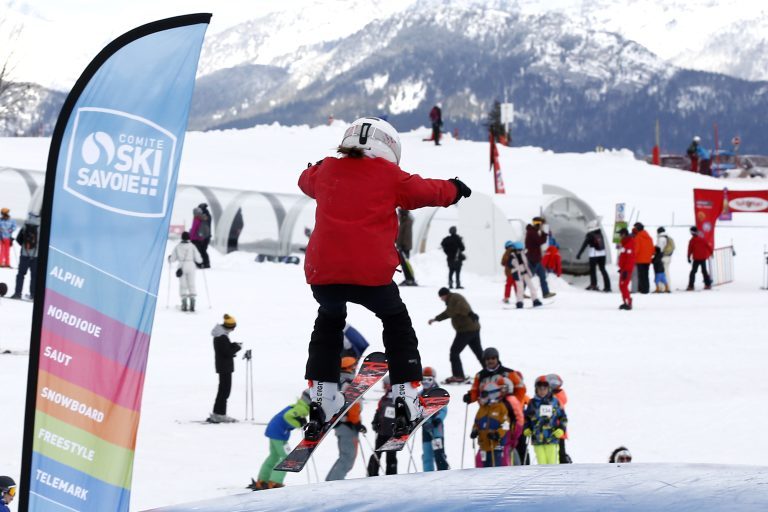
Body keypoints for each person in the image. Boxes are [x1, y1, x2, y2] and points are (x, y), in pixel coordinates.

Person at [298, 116, 472, 442]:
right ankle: (406, 398)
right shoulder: (389, 175)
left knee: (329, 322)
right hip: (371, 275)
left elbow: (305, 180)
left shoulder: (326, 172)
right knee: (395, 322)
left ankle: (322, 400)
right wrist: (455, 189)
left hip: (324, 274)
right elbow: (427, 191)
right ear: (389, 146)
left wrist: (317, 167)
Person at [463, 347, 525, 466]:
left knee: (511, 437)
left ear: (497, 359)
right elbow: (475, 391)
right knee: (489, 435)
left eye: (493, 358)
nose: (490, 361)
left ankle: (518, 465)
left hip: (507, 407)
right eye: (487, 359)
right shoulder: (480, 375)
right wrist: (470, 397)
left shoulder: (508, 372)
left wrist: (514, 402)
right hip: (487, 409)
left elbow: (521, 388)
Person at [249, 391, 310, 490]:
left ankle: (263, 480)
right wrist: (298, 423)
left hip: (274, 431)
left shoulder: (298, 405)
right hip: (278, 434)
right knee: (287, 458)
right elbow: (287, 416)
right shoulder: (302, 408)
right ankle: (274, 482)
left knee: (274, 456)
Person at [429, 287, 483, 384]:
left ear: (445, 295)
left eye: (441, 297)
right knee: (479, 352)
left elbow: (453, 311)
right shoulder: (453, 298)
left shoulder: (454, 298)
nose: (442, 299)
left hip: (466, 330)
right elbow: (453, 311)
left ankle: (458, 376)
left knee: (454, 352)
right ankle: (492, 372)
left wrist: (436, 318)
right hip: (472, 329)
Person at [327, 356, 366, 481]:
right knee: (348, 458)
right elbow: (353, 405)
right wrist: (357, 423)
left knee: (344, 457)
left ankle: (331, 482)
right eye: (354, 366)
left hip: (340, 424)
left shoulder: (337, 383)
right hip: (348, 425)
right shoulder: (349, 384)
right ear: (350, 368)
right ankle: (332, 484)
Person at [523, 376, 567, 465]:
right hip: (537, 438)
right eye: (540, 389)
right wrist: (526, 428)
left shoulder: (554, 402)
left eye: (544, 388)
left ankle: (553, 478)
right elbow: (526, 418)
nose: (542, 391)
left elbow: (563, 417)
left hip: (551, 437)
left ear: (548, 389)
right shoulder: (532, 403)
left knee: (552, 462)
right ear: (536, 389)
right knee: (541, 462)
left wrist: (561, 429)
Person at [209, 314, 242, 423]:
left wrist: (233, 345)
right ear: (229, 327)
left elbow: (225, 350)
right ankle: (220, 414)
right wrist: (237, 347)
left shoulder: (221, 335)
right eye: (233, 327)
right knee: (224, 391)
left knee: (223, 391)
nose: (233, 329)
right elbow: (226, 352)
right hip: (224, 367)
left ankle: (217, 413)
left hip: (223, 366)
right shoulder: (221, 337)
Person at [470, 380, 510, 467]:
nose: (481, 398)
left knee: (495, 468)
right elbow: (476, 422)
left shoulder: (500, 408)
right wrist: (474, 430)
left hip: (496, 445)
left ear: (492, 395)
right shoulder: (482, 409)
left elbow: (506, 425)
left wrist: (497, 434)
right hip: (483, 445)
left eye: (484, 395)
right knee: (485, 468)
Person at [368, 376, 398, 476]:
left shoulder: (397, 399)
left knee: (391, 457)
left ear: (390, 385)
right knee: (376, 455)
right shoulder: (384, 399)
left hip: (392, 434)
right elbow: (379, 411)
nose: (383, 387)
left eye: (385, 385)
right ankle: (372, 474)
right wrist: (375, 422)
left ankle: (391, 476)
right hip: (381, 433)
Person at [420, 367, 449, 471]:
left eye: (429, 379)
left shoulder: (439, 393)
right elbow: (418, 410)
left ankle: (443, 473)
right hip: (426, 428)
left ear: (434, 379)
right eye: (423, 379)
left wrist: (438, 419)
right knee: (427, 455)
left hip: (437, 429)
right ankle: (428, 475)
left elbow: (443, 410)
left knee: (439, 454)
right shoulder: (420, 395)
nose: (426, 382)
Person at [169, 231, 203, 312]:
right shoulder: (192, 246)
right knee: (191, 284)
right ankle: (192, 303)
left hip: (181, 266)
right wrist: (201, 261)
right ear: (189, 238)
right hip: (191, 265)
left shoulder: (177, 247)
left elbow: (172, 259)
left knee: (183, 285)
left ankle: (184, 304)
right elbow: (198, 259)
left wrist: (169, 258)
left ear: (182, 238)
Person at [11, 212, 40, 300]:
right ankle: (33, 295)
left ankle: (17, 293)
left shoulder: (26, 225)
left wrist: (24, 247)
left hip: (24, 254)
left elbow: (19, 239)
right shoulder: (41, 226)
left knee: (21, 274)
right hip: (36, 256)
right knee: (34, 276)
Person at [576, 220, 611, 292]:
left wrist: (579, 254)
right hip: (602, 254)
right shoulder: (600, 233)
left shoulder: (590, 235)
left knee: (593, 270)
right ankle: (607, 287)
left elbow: (584, 245)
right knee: (603, 269)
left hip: (593, 255)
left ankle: (593, 285)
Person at [525, 216, 555, 298]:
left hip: (537, 258)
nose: (542, 226)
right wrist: (544, 234)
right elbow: (540, 241)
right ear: (538, 224)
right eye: (542, 224)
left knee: (542, 276)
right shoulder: (532, 232)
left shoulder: (534, 231)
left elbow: (540, 241)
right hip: (533, 259)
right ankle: (520, 293)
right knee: (528, 276)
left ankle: (546, 293)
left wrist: (544, 233)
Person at [506, 241, 542, 308]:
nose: (520, 251)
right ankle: (519, 302)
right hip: (518, 274)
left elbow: (528, 263)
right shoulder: (512, 256)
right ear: (515, 249)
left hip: (525, 273)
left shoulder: (524, 254)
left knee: (531, 286)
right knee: (520, 288)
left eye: (521, 249)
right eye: (518, 250)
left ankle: (535, 300)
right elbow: (509, 264)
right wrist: (512, 262)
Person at [547, 374, 572, 464]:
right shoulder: (557, 395)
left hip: (557, 427)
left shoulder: (557, 396)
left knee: (560, 451)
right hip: (549, 428)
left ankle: (564, 463)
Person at [687, 226, 713, 290]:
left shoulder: (692, 240)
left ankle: (691, 286)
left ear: (692, 232)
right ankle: (708, 285)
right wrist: (711, 253)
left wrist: (688, 257)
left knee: (693, 272)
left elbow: (690, 249)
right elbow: (708, 246)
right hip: (703, 258)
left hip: (696, 258)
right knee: (704, 271)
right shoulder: (702, 238)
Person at [632, 222, 654, 294]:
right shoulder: (649, 238)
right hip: (647, 260)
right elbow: (652, 249)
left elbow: (636, 249)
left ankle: (643, 289)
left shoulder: (638, 237)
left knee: (641, 275)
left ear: (637, 228)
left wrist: (633, 257)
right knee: (646, 275)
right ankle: (646, 289)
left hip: (640, 260)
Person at [617, 227, 636, 310]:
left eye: (620, 234)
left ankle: (628, 302)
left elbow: (630, 259)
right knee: (621, 286)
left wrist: (626, 270)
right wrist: (621, 268)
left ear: (624, 234)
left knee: (624, 286)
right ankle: (625, 301)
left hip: (626, 270)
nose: (620, 236)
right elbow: (623, 257)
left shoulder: (629, 244)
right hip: (623, 269)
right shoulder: (625, 243)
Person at [190, 203, 212, 268]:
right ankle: (205, 263)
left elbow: (194, 229)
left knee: (200, 251)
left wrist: (191, 236)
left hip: (200, 237)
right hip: (204, 236)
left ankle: (201, 263)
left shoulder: (199, 218)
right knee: (202, 250)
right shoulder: (206, 216)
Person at [656, 227, 675, 291]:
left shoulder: (661, 238)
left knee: (662, 273)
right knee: (666, 272)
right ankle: (667, 287)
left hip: (663, 257)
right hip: (668, 257)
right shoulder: (668, 238)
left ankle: (663, 288)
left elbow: (659, 249)